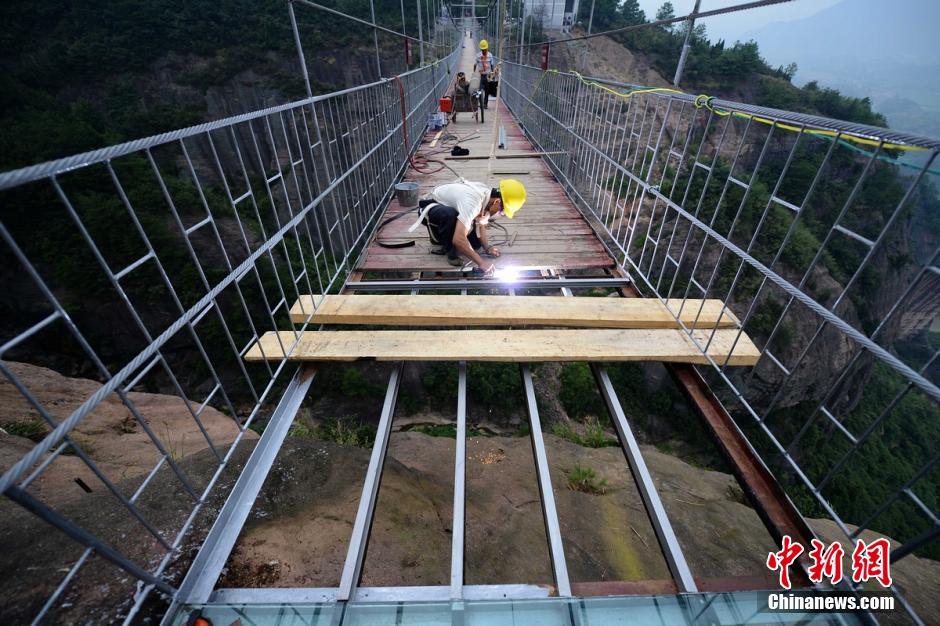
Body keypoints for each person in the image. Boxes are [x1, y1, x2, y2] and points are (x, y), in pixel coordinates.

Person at [408, 179, 526, 275]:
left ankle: (450, 237)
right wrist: (481, 263)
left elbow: (481, 222)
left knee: (476, 245)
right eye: (502, 211)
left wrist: (487, 248)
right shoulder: (473, 203)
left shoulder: (488, 196)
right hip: (431, 207)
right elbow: (459, 239)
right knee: (450, 216)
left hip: (451, 205)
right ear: (497, 202)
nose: (500, 215)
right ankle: (448, 250)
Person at [474, 40, 495, 109]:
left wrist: (493, 74)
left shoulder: (490, 55)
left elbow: (492, 65)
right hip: (480, 75)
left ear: (487, 48)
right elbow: (475, 65)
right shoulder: (478, 55)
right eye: (482, 49)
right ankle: (480, 103)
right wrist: (474, 73)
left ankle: (485, 104)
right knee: (479, 90)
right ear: (481, 49)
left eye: (485, 49)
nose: (484, 51)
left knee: (487, 90)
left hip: (488, 75)